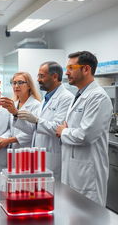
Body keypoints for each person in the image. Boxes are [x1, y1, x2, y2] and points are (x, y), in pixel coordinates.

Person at [56, 51, 112, 206]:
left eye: (71, 67)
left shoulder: (98, 97)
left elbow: (86, 135)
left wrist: (64, 132)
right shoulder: (80, 95)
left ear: (86, 69)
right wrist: (67, 131)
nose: (66, 72)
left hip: (87, 173)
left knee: (89, 216)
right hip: (73, 169)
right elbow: (76, 130)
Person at [14, 62, 74, 180]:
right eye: (38, 76)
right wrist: (15, 115)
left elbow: (58, 129)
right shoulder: (46, 98)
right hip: (38, 155)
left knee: (53, 192)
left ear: (55, 77)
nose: (38, 80)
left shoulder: (66, 98)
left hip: (51, 156)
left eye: (42, 76)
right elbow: (32, 129)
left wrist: (36, 120)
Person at [0, 72, 41, 149]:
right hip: (13, 149)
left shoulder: (36, 105)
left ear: (29, 86)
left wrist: (9, 140)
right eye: (14, 83)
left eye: (20, 82)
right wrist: (3, 138)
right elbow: (11, 129)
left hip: (27, 149)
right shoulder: (13, 104)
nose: (16, 86)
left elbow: (34, 131)